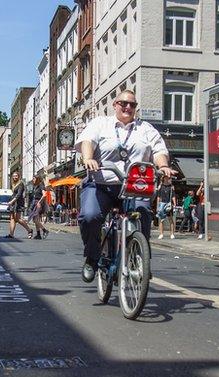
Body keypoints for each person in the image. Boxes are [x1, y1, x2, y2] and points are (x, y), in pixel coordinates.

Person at [76, 90, 177, 282]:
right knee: (90, 216)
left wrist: (163, 166)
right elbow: (87, 140)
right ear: (115, 105)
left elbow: (158, 150)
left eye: (132, 105)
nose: (128, 107)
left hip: (134, 188)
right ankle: (92, 256)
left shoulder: (146, 129)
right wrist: (88, 158)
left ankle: (140, 260)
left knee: (143, 215)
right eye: (123, 103)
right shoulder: (101, 123)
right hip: (101, 184)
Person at [4, 172, 32, 239]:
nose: (14, 177)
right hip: (13, 203)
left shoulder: (20, 184)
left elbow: (19, 195)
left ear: (18, 176)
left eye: (16, 176)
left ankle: (29, 230)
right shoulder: (13, 184)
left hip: (18, 202)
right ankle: (11, 234)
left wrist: (11, 201)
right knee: (12, 218)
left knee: (18, 219)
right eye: (13, 176)